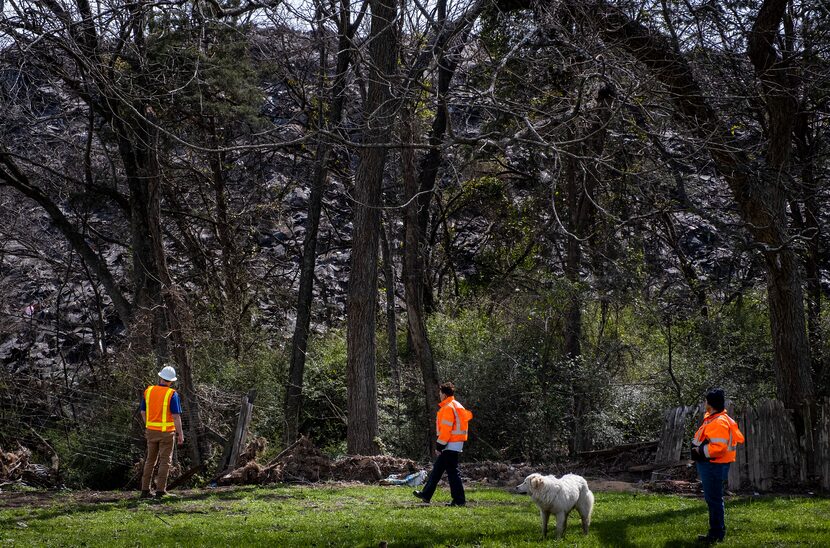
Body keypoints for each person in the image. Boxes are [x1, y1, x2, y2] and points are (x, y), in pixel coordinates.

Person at [690, 388, 745, 544]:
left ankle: (716, 534)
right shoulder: (714, 418)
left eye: (706, 400)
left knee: (713, 500)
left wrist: (698, 451)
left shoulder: (719, 421)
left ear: (710, 404)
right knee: (713, 499)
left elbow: (718, 448)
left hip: (713, 465)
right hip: (712, 465)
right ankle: (715, 532)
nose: (704, 403)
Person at [413, 382, 473, 507]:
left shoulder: (447, 408)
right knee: (438, 470)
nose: (439, 395)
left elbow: (446, 429)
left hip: (449, 444)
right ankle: (426, 494)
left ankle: (459, 500)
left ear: (444, 395)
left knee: (452, 473)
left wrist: (440, 445)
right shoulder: (457, 405)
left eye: (440, 393)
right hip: (456, 443)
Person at [139, 365, 184, 499]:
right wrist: (180, 433)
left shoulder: (149, 391)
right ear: (171, 381)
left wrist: (148, 425)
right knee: (165, 462)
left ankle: (145, 491)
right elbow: (176, 416)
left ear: (160, 377)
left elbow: (142, 412)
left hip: (151, 431)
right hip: (166, 433)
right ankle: (160, 491)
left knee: (150, 461)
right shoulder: (172, 394)